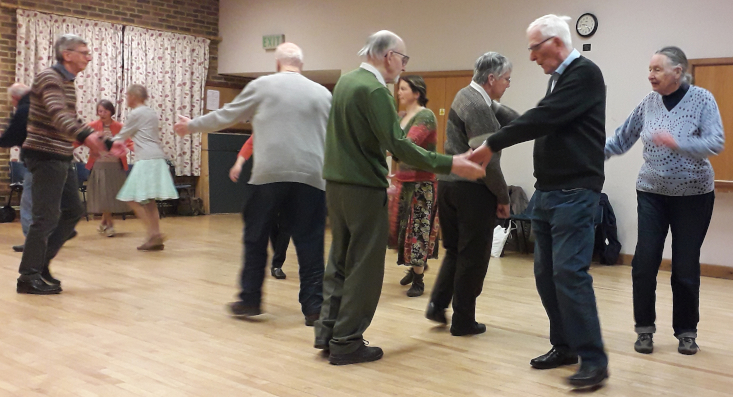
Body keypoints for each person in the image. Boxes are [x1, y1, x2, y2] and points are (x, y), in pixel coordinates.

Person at [314, 30, 485, 366]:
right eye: (404, 59)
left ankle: (328, 332)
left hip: (336, 185)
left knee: (339, 261)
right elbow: (401, 146)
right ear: (389, 55)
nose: (403, 68)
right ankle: (347, 341)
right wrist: (453, 163)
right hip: (363, 189)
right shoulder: (375, 88)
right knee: (364, 266)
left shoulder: (346, 82)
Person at [470, 15, 609, 387]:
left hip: (575, 194)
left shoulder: (584, 73)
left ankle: (594, 360)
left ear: (555, 43)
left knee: (569, 273)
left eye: (534, 47)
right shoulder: (559, 79)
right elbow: (545, 121)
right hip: (548, 192)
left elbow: (545, 118)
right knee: (546, 275)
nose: (531, 56)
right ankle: (565, 345)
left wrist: (492, 143)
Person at [175, 42, 331, 326]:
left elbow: (227, 115)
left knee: (256, 237)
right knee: (310, 241)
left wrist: (192, 125)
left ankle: (250, 300)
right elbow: (336, 137)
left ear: (277, 64)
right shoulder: (323, 94)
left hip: (269, 175)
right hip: (311, 176)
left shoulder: (263, 85)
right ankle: (314, 308)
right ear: (302, 65)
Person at [605, 46, 724, 356]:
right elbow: (622, 138)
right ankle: (644, 330)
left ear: (678, 72)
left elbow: (716, 141)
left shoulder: (702, 100)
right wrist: (590, 155)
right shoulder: (649, 102)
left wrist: (679, 142)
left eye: (657, 69)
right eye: (650, 68)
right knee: (644, 263)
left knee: (684, 267)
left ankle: (686, 332)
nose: (650, 75)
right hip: (652, 193)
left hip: (693, 196)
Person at [17, 34, 126, 294]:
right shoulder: (49, 78)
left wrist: (107, 144)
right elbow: (59, 115)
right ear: (67, 55)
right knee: (45, 216)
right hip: (45, 155)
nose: (88, 57)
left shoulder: (67, 82)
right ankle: (28, 276)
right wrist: (87, 137)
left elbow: (74, 121)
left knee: (72, 211)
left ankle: (40, 266)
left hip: (61, 155)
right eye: (84, 52)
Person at [426, 52, 519, 335]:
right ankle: (463, 320)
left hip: (449, 186)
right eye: (506, 79)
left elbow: (516, 121)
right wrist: (503, 198)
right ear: (491, 79)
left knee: (456, 251)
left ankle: (437, 304)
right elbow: (486, 163)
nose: (508, 84)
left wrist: (495, 103)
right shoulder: (478, 105)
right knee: (474, 257)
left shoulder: (467, 96)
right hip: (471, 190)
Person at [388, 75, 440, 297]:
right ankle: (415, 266)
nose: (399, 92)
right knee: (401, 231)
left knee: (417, 231)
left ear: (416, 93)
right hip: (404, 181)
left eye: (403, 89)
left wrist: (385, 148)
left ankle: (418, 280)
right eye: (399, 89)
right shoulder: (402, 116)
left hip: (421, 184)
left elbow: (408, 145)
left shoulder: (425, 116)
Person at [114, 84, 178, 251]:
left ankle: (153, 234)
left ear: (134, 97)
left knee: (130, 198)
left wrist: (101, 142)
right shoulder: (151, 112)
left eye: (128, 95)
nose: (126, 98)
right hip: (156, 157)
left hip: (146, 160)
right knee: (149, 200)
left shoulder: (136, 113)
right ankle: (154, 236)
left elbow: (122, 135)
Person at [230, 136, 291, 280]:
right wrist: (238, 164)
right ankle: (278, 255)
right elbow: (249, 144)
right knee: (271, 223)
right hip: (267, 181)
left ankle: (277, 264)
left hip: (291, 180)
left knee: (286, 224)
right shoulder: (266, 125)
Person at [83, 99, 132, 237]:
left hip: (115, 165)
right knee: (103, 195)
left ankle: (104, 222)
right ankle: (109, 225)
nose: (102, 114)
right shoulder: (92, 126)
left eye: (105, 111)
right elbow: (83, 140)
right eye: (100, 111)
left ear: (111, 111)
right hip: (99, 164)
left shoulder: (120, 126)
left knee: (111, 194)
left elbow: (128, 142)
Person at [0, 83, 31, 252]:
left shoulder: (23, 109)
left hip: (36, 161)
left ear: (15, 97)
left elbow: (12, 136)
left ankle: (33, 243)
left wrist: (2, 139)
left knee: (28, 204)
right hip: (55, 160)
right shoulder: (39, 105)